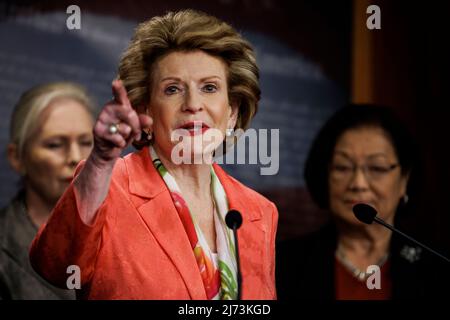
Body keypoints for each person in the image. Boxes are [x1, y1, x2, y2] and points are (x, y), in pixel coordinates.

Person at [29, 10, 278, 300]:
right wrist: (100, 161)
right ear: (146, 108)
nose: (193, 104)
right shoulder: (107, 186)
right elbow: (57, 267)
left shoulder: (260, 212)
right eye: (172, 89)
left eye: (209, 88)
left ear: (232, 112)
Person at [276, 104, 449, 300]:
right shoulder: (283, 264)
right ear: (325, 175)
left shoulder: (436, 267)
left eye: (377, 167)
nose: (358, 184)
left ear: (404, 180)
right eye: (342, 167)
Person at [0, 82, 95, 299]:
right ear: (17, 157)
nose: (75, 157)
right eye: (54, 144)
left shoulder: (127, 230)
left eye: (86, 142)